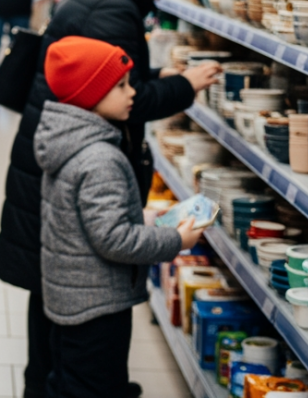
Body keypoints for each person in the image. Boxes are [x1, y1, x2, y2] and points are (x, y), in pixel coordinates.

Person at [0, 0, 221, 398]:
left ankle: (56, 384)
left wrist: (153, 76)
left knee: (52, 307)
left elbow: (110, 85)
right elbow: (125, 99)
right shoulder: (112, 9)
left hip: (51, 172)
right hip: (90, 279)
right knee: (71, 334)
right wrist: (183, 86)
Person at [36, 36, 202, 398]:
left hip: (69, 298)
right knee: (95, 387)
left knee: (67, 381)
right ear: (90, 94)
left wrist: (140, 215)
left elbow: (82, 218)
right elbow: (114, 240)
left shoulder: (66, 142)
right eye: (121, 86)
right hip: (97, 306)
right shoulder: (101, 158)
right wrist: (177, 240)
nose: (133, 93)